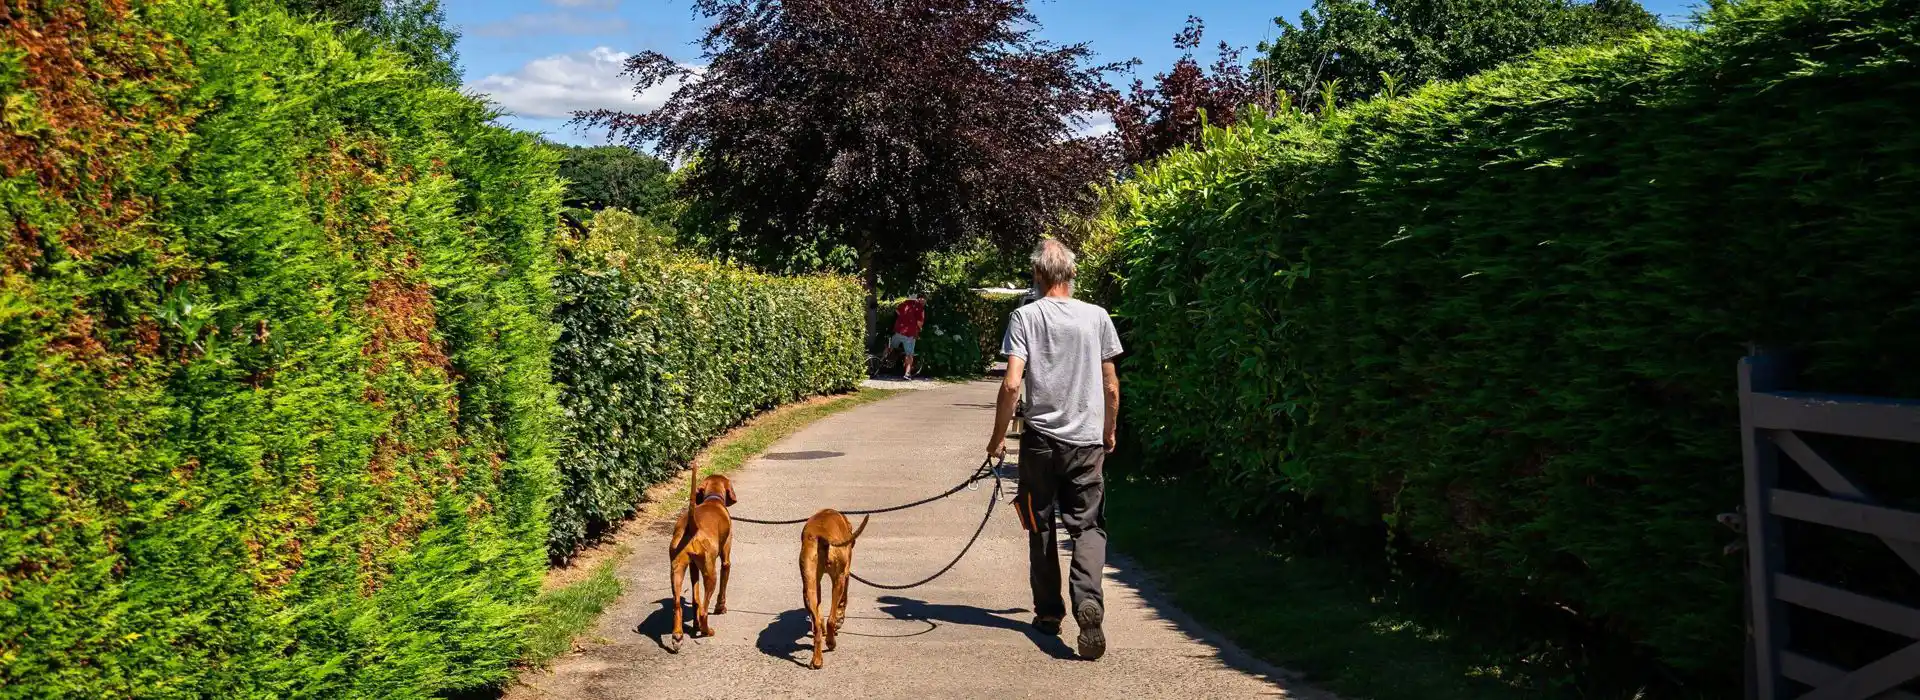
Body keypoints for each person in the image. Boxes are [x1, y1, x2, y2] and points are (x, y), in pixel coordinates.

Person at [986, 239, 1121, 661]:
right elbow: (1112, 385)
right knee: (1088, 527)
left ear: (1038, 275)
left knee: (1039, 525)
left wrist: (996, 440)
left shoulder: (1025, 317)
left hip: (1040, 443)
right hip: (1086, 442)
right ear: (1072, 274)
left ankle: (1048, 614)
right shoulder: (1097, 317)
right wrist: (1109, 431)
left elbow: (1011, 384)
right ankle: (1088, 601)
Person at [883, 292, 927, 379]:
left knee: (891, 347)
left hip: (898, 331)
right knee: (909, 354)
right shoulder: (919, 307)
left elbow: (897, 312)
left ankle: (881, 362)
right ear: (920, 299)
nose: (924, 301)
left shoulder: (904, 303)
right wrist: (919, 328)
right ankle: (907, 374)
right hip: (909, 334)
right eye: (924, 299)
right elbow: (919, 323)